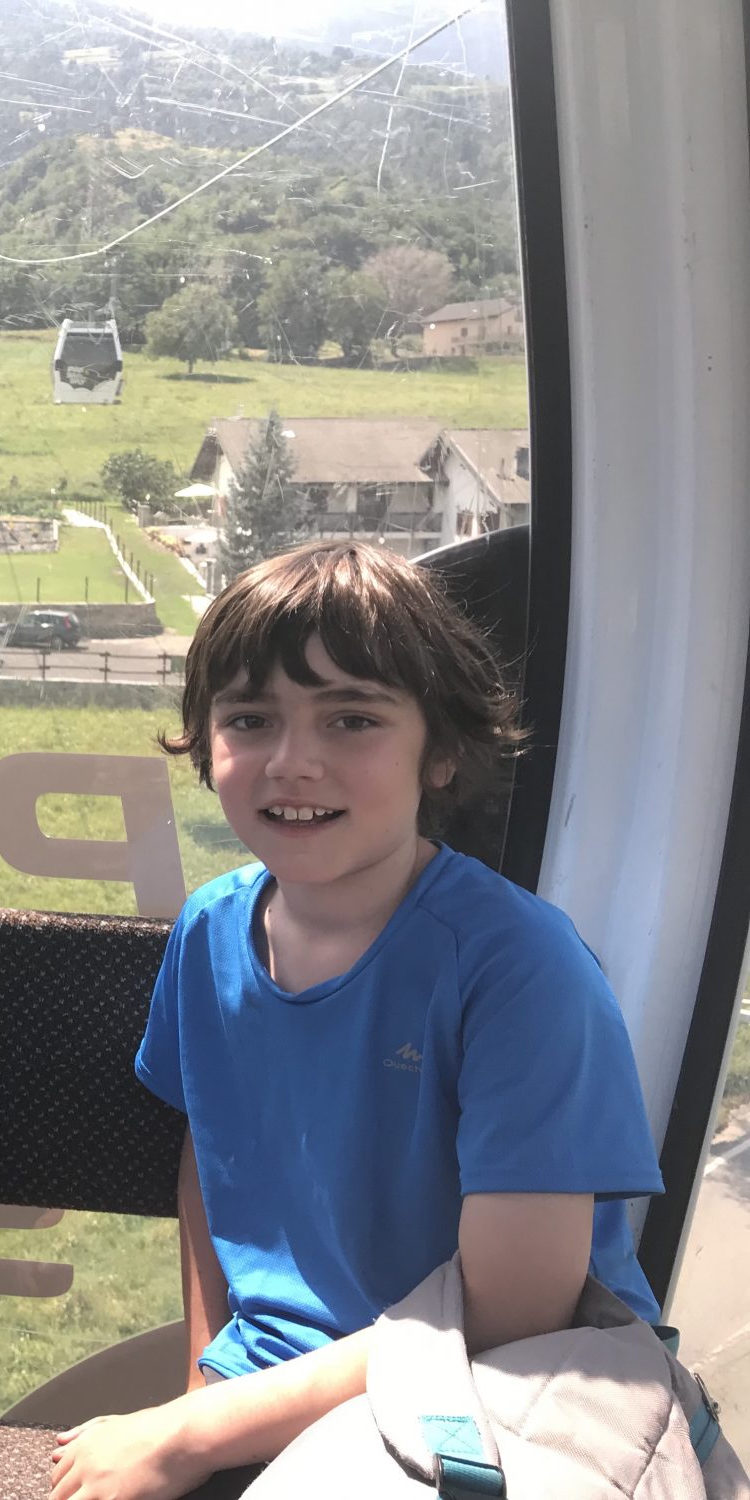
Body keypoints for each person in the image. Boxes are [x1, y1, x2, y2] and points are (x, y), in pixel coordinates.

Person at [50, 541, 664, 1500]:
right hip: (273, 1398)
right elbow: (212, 1162)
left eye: (352, 719)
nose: (294, 763)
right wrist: (205, 1379)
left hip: (489, 1409)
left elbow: (514, 1314)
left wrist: (196, 1433)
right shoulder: (211, 930)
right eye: (250, 718)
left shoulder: (519, 971)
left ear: (443, 752)